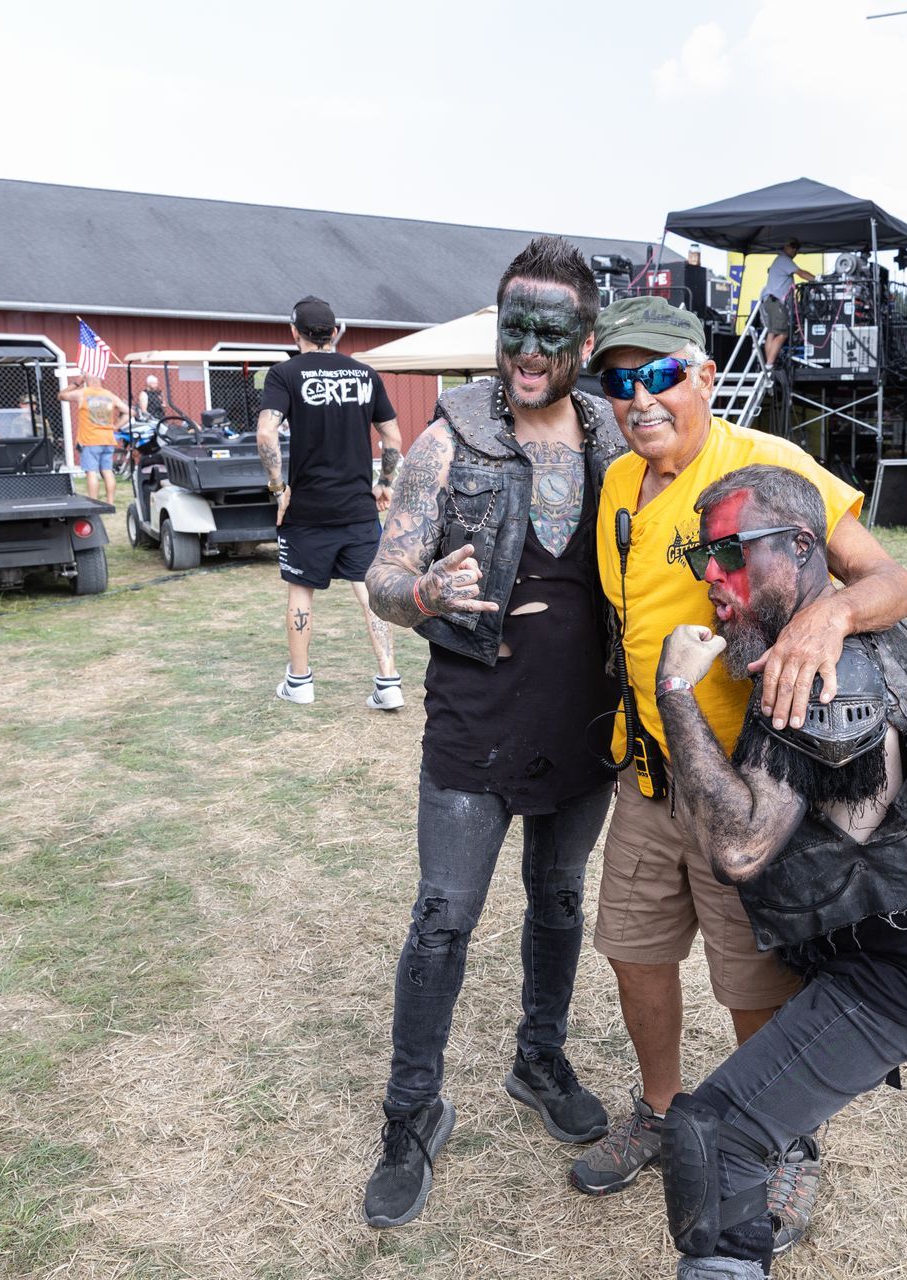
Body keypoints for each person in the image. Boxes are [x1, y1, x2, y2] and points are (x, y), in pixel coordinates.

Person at [650, 465, 907, 1276]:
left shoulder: (811, 676)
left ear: (804, 546)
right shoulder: (880, 627)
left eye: (733, 553)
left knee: (718, 1138)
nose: (713, 579)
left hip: (897, 962)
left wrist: (673, 692)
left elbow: (739, 850)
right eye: (704, 557)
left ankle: (729, 1260)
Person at [573, 296, 907, 1254]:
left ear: (704, 375)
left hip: (745, 791)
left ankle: (781, 1143)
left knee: (750, 979)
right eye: (620, 382)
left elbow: (891, 580)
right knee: (635, 952)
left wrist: (829, 618)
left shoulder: (763, 464)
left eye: (660, 375)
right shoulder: (618, 490)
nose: (640, 399)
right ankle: (660, 1107)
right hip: (648, 778)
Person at [358, 236, 627, 1228]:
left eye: (549, 334)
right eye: (514, 327)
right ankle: (410, 1114)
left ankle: (538, 1057)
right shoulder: (450, 435)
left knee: (558, 898)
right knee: (442, 917)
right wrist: (421, 590)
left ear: (584, 341)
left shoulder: (613, 434)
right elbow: (385, 579)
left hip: (585, 724)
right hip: (474, 724)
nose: (526, 349)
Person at [255, 295, 403, 711]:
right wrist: (385, 482)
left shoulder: (284, 374)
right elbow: (392, 438)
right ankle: (389, 682)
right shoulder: (364, 375)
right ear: (335, 332)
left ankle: (299, 683)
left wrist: (278, 489)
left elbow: (266, 434)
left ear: (294, 332)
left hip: (307, 510)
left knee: (301, 591)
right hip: (357, 507)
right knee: (369, 591)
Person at [58, 369, 127, 504]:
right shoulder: (110, 395)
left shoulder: (83, 393)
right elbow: (129, 412)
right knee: (107, 471)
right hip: (108, 438)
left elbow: (61, 395)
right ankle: (110, 502)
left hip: (91, 439)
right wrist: (116, 426)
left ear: (87, 380)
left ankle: (93, 502)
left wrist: (77, 382)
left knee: (91, 472)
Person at [757, 239, 817, 369]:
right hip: (776, 302)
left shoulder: (779, 260)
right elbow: (801, 273)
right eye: (793, 246)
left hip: (770, 301)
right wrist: (818, 280)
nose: (795, 250)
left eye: (797, 247)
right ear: (785, 246)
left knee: (772, 333)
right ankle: (769, 365)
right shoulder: (784, 260)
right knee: (782, 333)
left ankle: (768, 365)